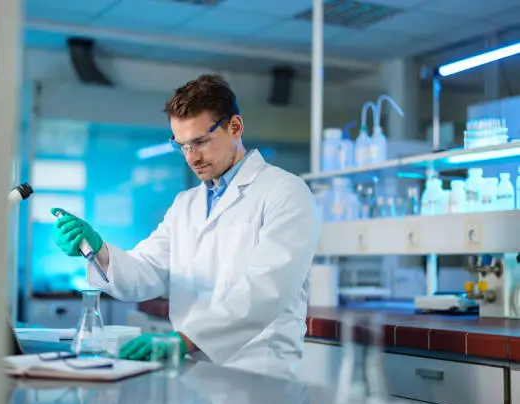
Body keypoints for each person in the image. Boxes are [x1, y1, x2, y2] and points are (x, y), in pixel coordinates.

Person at [51, 74, 320, 380]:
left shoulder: (285, 191)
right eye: (181, 146)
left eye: (200, 142)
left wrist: (185, 340)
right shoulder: (186, 203)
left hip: (257, 373)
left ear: (235, 127)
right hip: (193, 373)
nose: (192, 158)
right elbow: (147, 270)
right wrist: (97, 250)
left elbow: (267, 289)